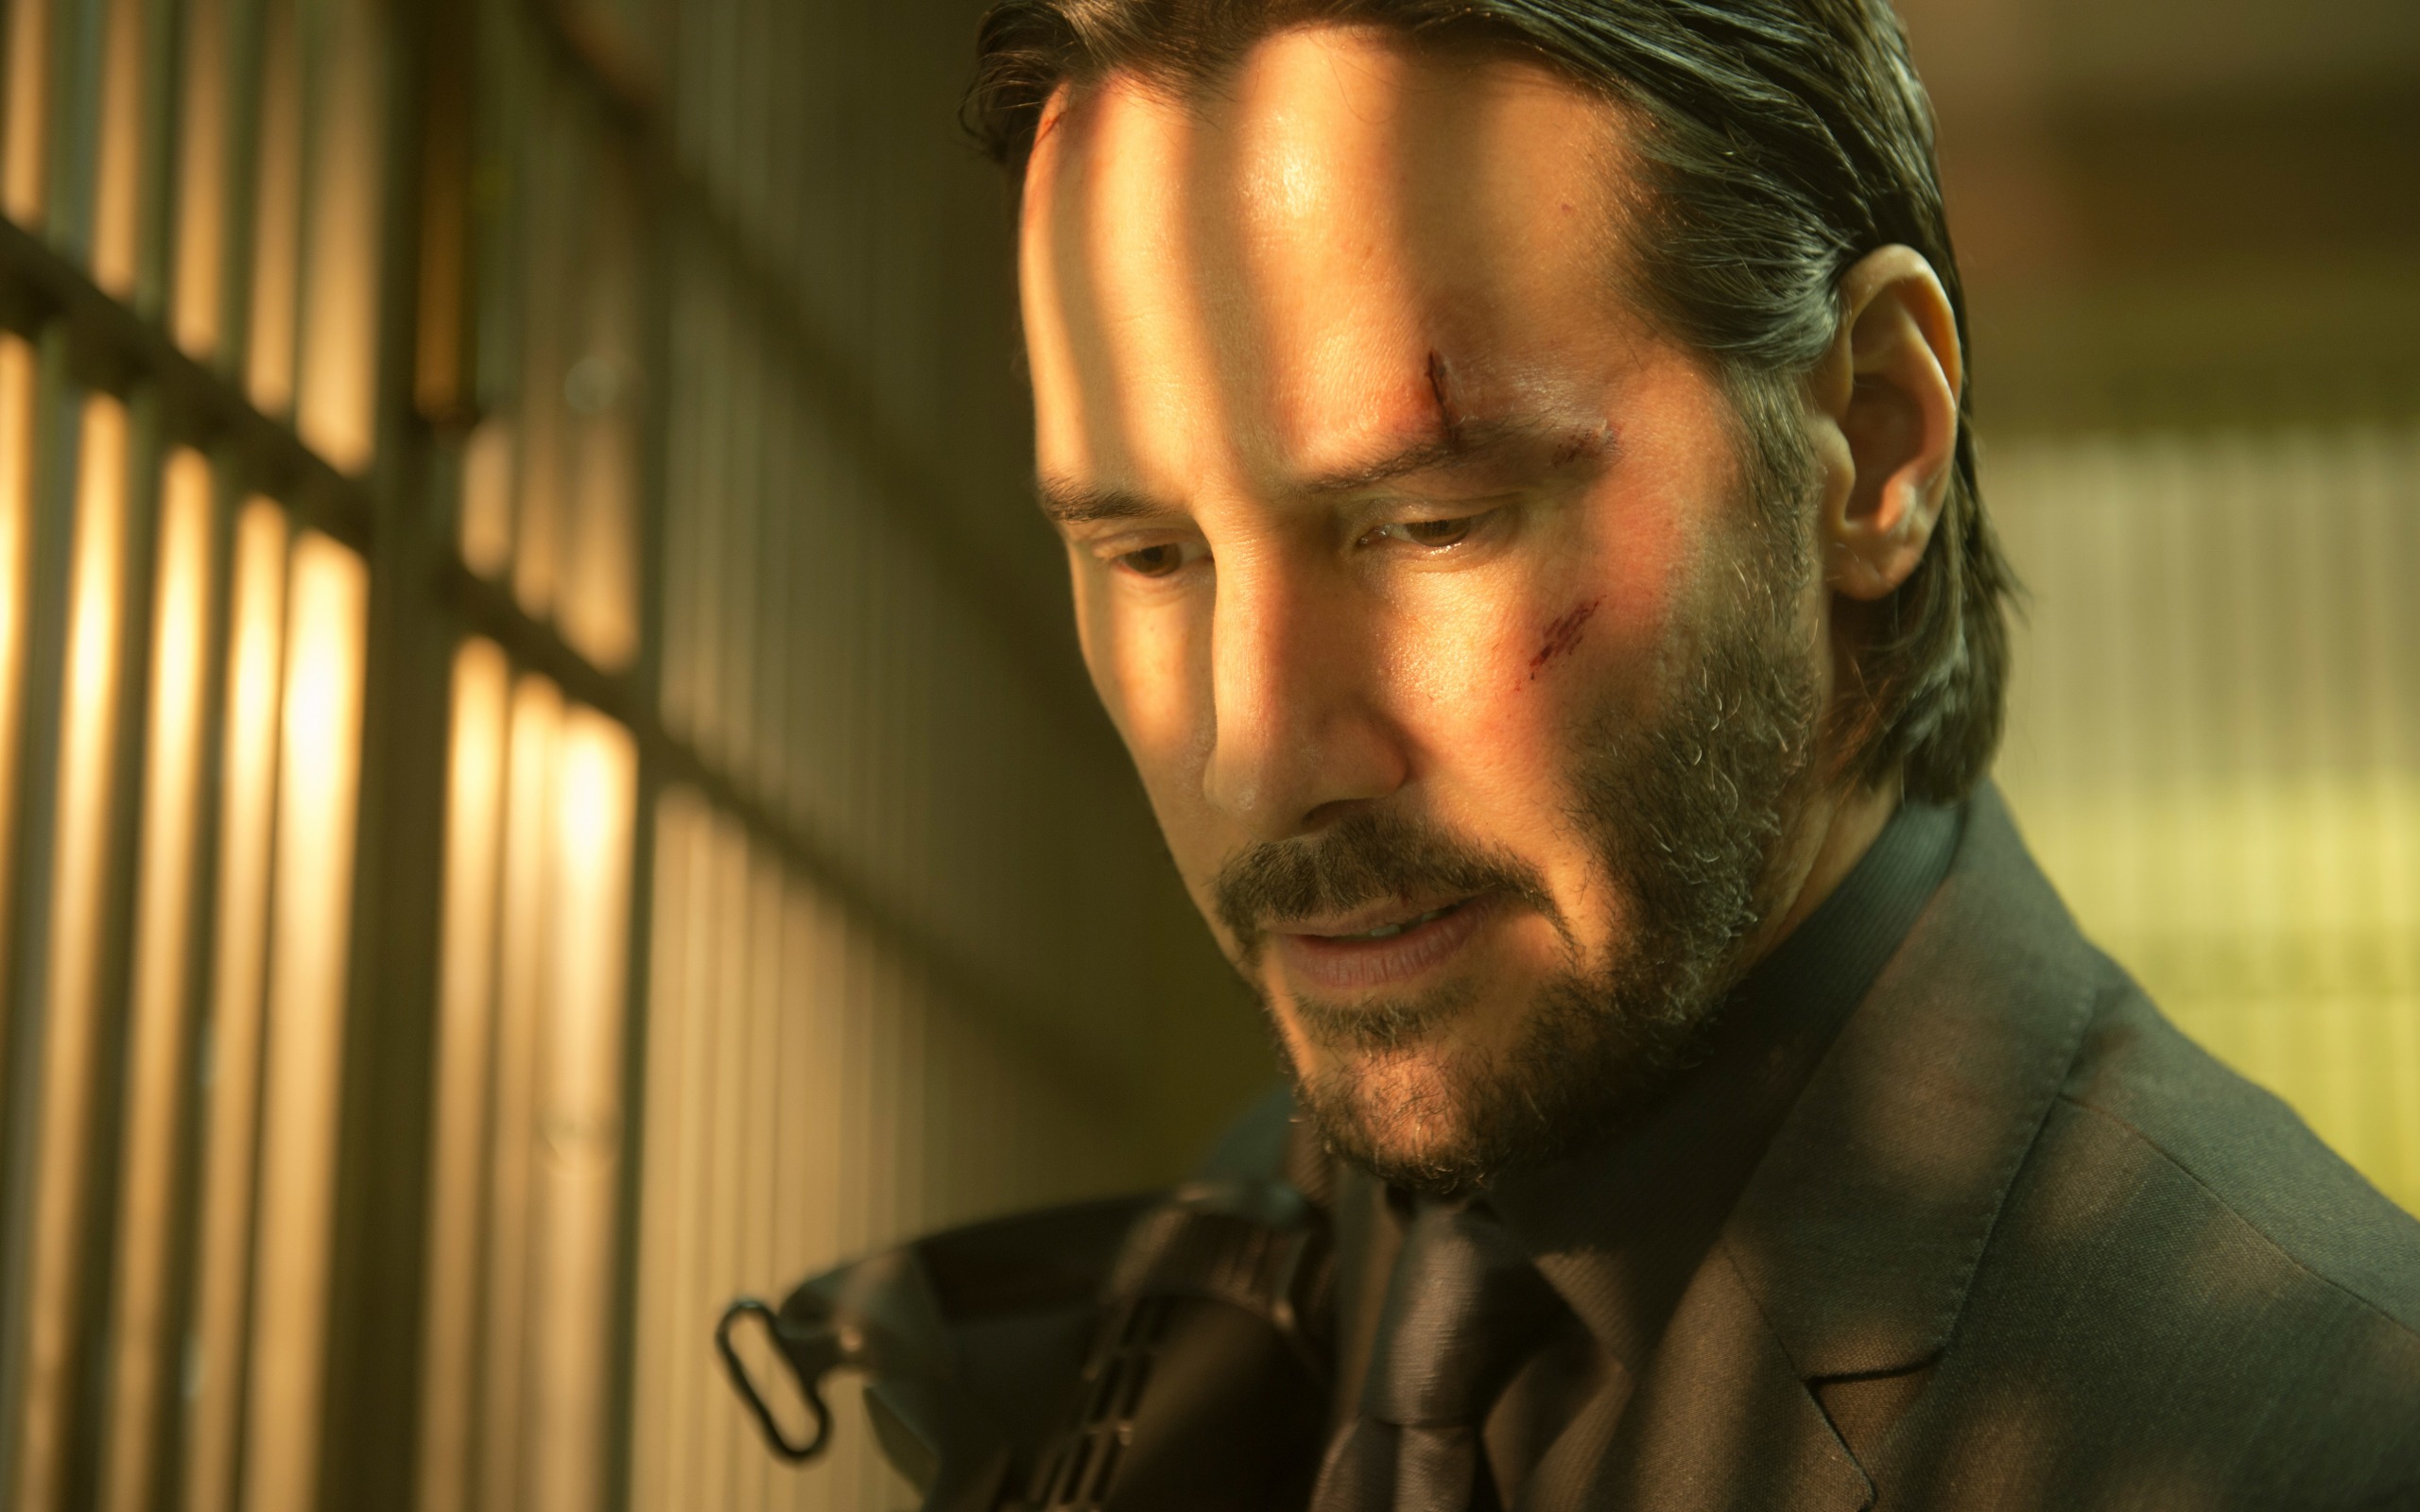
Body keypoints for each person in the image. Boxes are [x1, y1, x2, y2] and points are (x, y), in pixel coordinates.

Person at [725, 3, 2420, 1506]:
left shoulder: (2312, 1439)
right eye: (1150, 556)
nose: (1256, 762)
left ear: (1872, 436)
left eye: (1432, 523)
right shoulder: (1247, 1247)